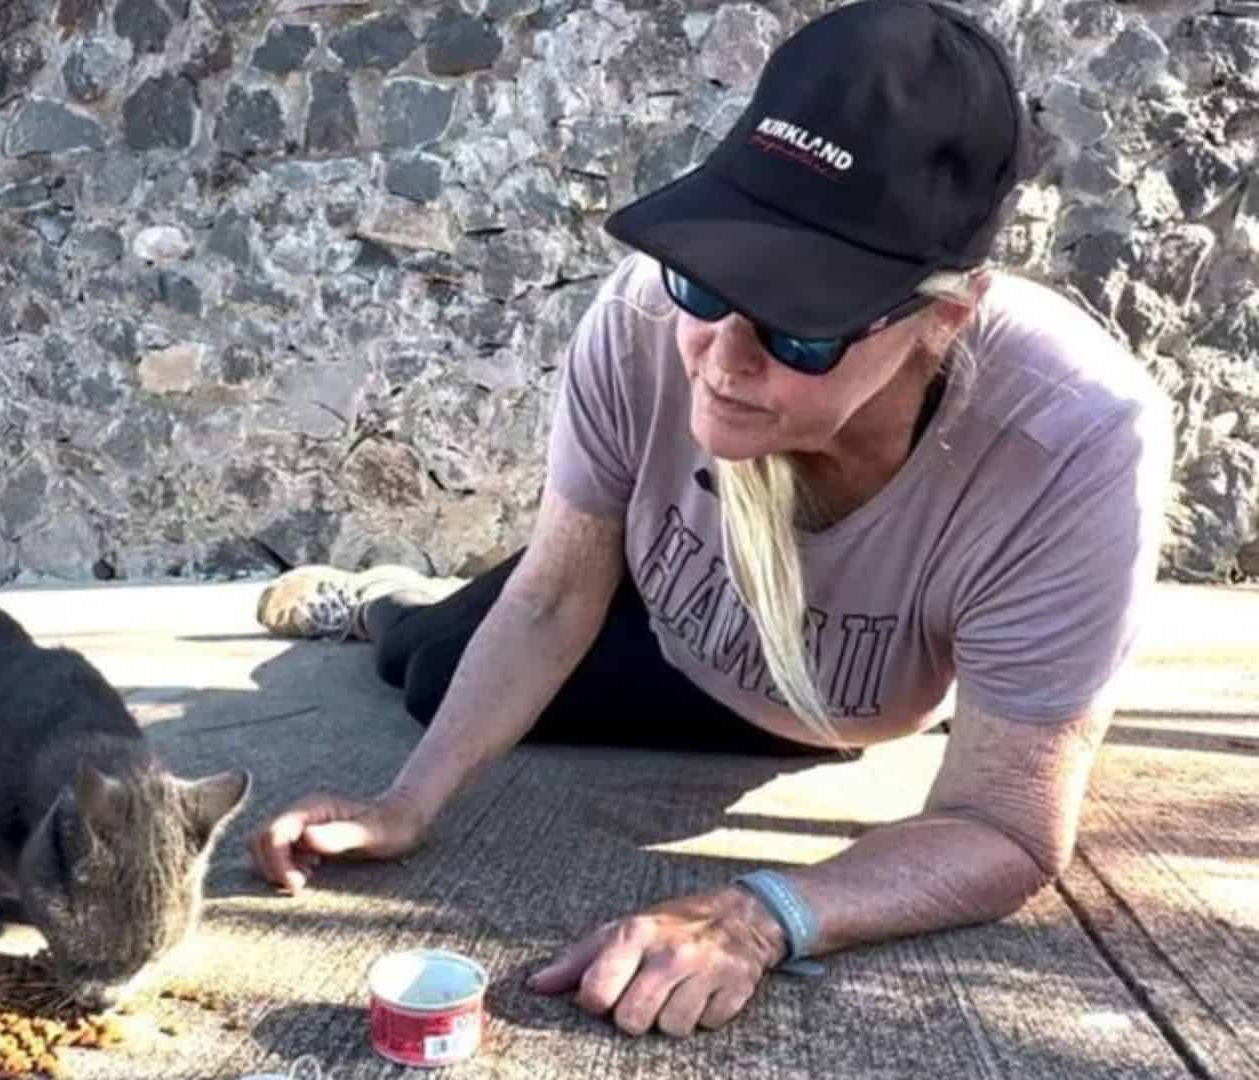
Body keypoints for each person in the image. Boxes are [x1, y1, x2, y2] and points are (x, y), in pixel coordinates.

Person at [246, 0, 1174, 1040]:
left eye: (798, 327)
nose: (722, 364)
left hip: (810, 688)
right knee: (424, 665)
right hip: (665, 575)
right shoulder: (644, 317)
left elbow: (1005, 825)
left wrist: (762, 914)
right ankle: (380, 601)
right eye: (708, 277)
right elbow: (555, 596)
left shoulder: (1077, 442)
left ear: (943, 313)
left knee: (471, 683)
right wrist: (404, 804)